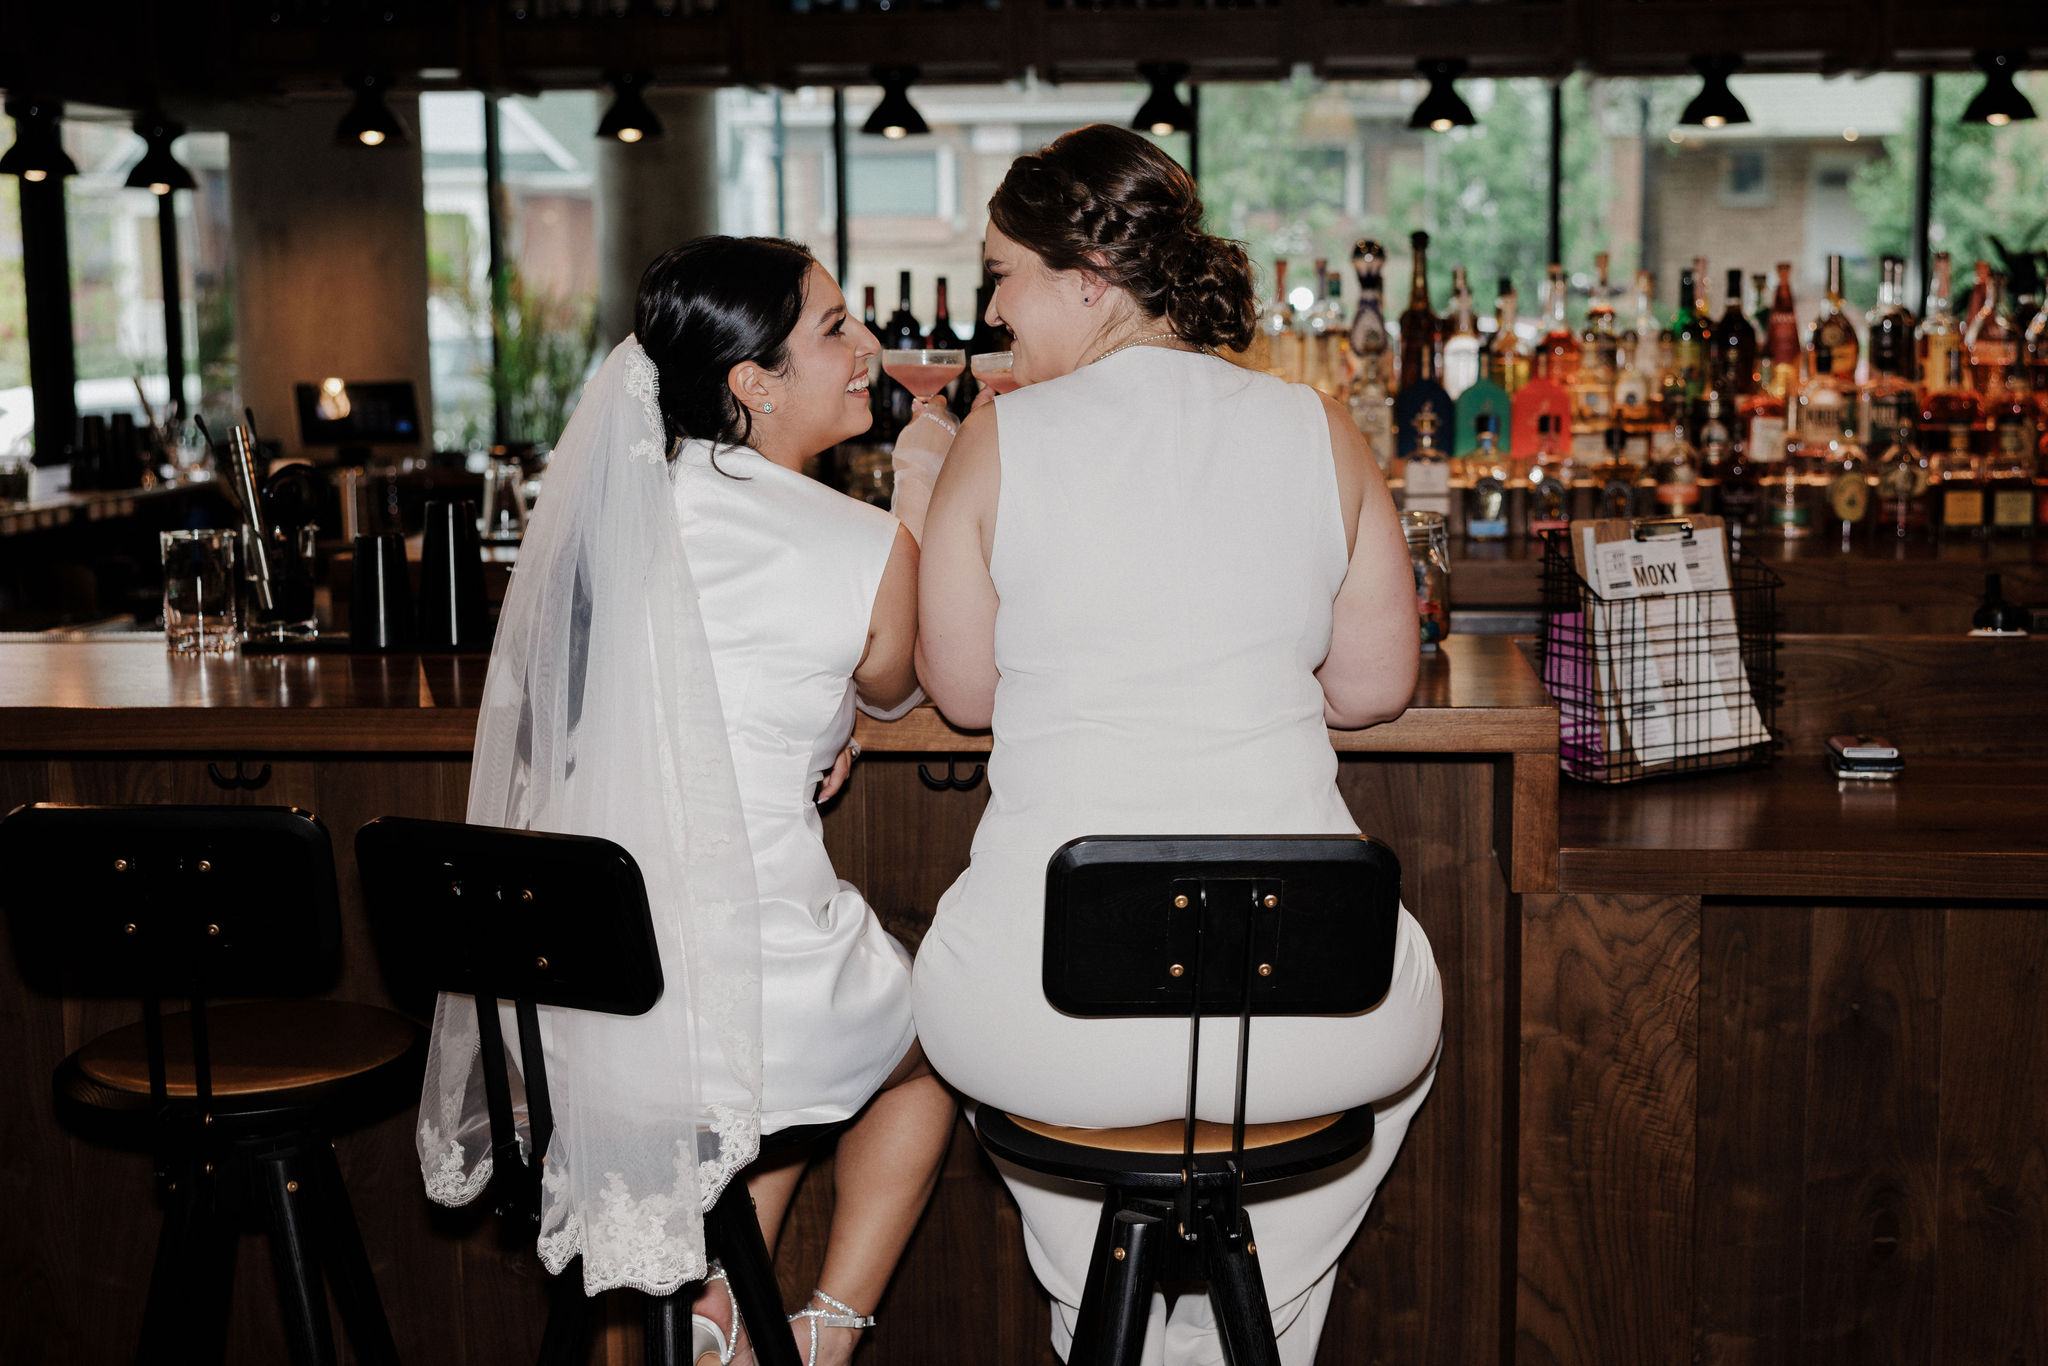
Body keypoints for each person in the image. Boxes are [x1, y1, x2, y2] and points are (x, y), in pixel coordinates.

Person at [910, 125, 1445, 1365]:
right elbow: (1370, 688)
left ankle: (1108, 1313)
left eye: (1002, 273)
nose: (992, 309)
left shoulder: (1002, 436)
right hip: (1310, 1000)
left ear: (1086, 277)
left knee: (983, 1037)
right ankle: (1249, 1317)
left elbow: (963, 689)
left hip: (1049, 1002)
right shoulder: (1315, 424)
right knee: (1402, 1010)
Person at [417, 236, 955, 1366]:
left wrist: (818, 719)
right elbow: (901, 685)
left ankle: (713, 1311)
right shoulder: (865, 542)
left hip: (571, 1001)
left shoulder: (599, 522)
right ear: (752, 385)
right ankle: (822, 1327)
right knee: (925, 1046)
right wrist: (914, 498)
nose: (866, 348)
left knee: (774, 1046)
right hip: (734, 992)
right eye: (833, 329)